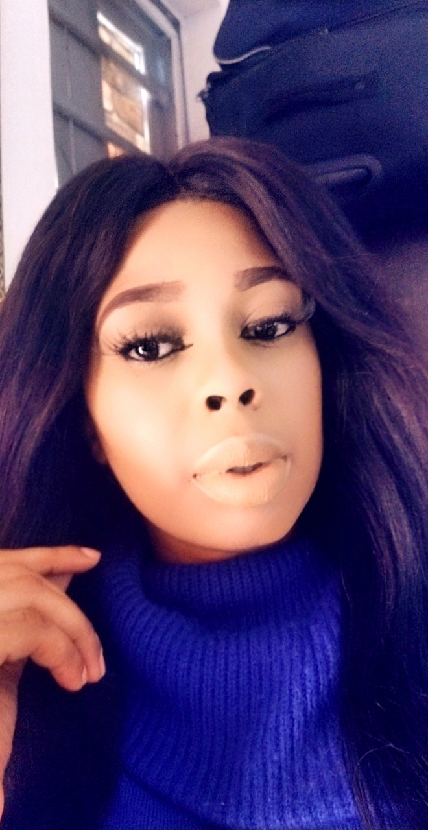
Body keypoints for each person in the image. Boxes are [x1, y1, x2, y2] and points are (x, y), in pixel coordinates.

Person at [0, 138, 426, 830]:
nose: (229, 381)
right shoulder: (23, 691)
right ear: (83, 420)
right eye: (150, 346)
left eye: (269, 325)